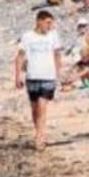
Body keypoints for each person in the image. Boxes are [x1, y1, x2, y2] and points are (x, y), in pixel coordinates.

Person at [14, 9, 63, 150]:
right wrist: (17, 77)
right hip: (32, 77)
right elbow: (20, 56)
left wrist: (57, 74)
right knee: (35, 110)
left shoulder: (53, 36)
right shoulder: (28, 37)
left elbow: (57, 55)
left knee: (42, 107)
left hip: (48, 76)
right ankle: (39, 132)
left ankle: (39, 138)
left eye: (51, 23)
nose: (50, 26)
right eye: (47, 23)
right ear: (39, 22)